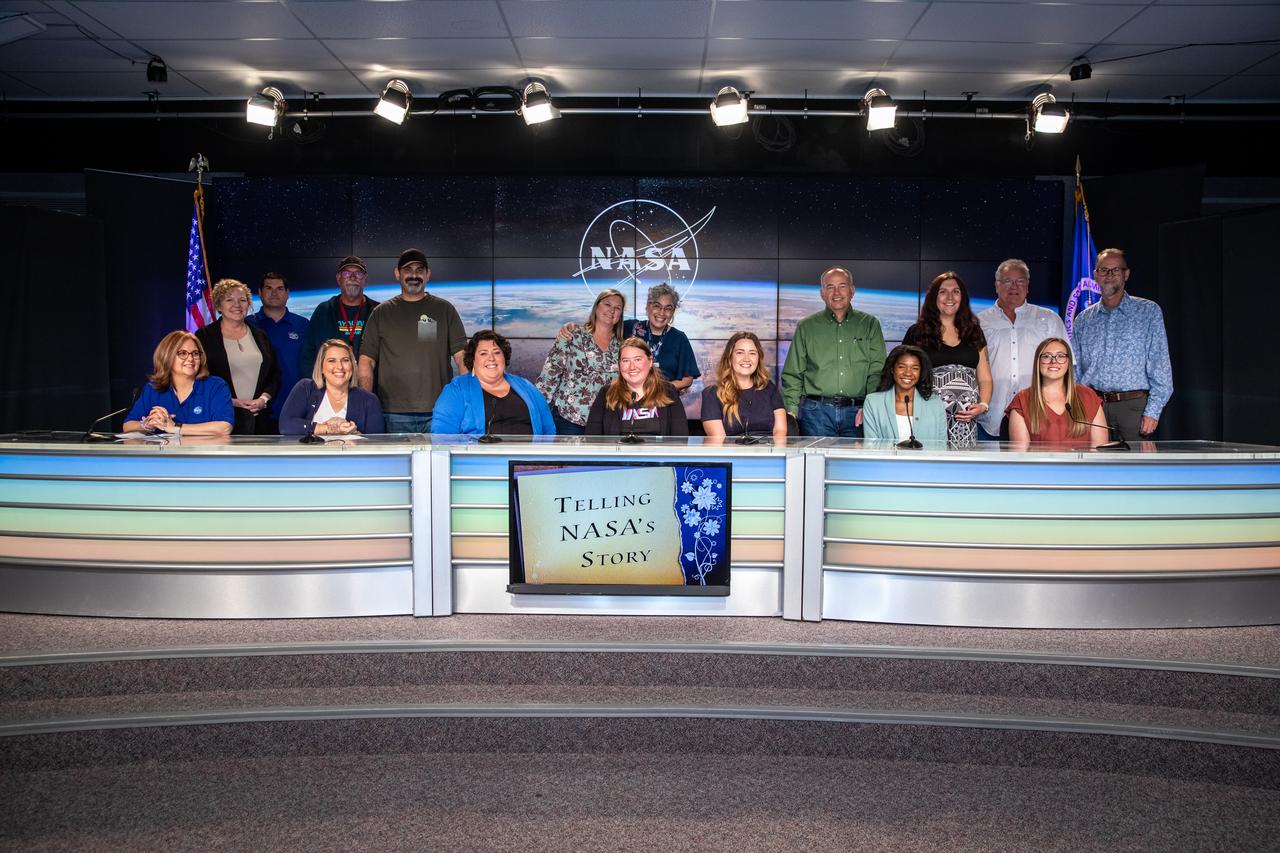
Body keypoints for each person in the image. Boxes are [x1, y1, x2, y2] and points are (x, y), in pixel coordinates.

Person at [357, 249, 467, 433]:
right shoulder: (381, 313)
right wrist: (366, 403)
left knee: (440, 462)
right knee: (396, 463)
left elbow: (461, 356)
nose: (414, 275)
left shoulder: (445, 310)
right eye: (408, 270)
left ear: (428, 275)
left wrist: (466, 399)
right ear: (397, 274)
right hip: (393, 413)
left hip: (440, 410)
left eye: (419, 270)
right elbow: (366, 360)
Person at [1071, 248, 1173, 439]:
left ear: (1126, 274)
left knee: (1133, 467)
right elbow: (1075, 370)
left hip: (1133, 408)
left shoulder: (1148, 312)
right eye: (1103, 270)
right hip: (1093, 407)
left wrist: (1153, 411)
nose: (1109, 275)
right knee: (1094, 466)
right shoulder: (1083, 319)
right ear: (1095, 275)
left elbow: (1161, 368)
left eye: (1115, 270)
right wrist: (1079, 406)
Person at [781, 266, 886, 437]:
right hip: (816, 413)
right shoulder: (807, 326)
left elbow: (877, 371)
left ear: (852, 291)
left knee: (853, 464)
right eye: (830, 287)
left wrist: (871, 406)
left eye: (842, 286)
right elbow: (793, 373)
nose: (836, 292)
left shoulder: (869, 324)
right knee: (816, 462)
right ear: (822, 293)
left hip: (858, 412)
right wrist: (791, 413)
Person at [975, 259, 1068, 441]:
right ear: (996, 286)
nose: (1014, 287)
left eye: (1020, 281)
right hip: (990, 419)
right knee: (991, 469)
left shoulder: (1048, 319)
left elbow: (1066, 367)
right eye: (1007, 281)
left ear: (1028, 285)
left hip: (1039, 417)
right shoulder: (979, 322)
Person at [556, 283, 700, 395]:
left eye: (668, 308)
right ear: (648, 306)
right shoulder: (631, 327)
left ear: (673, 311)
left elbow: (687, 379)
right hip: (628, 403)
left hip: (664, 401)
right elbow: (602, 325)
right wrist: (573, 326)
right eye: (657, 306)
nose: (662, 312)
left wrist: (659, 388)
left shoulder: (679, 338)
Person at [903, 272, 993, 447]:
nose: (950, 297)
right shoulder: (917, 333)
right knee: (928, 467)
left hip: (965, 424)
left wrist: (983, 405)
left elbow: (985, 378)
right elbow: (902, 377)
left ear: (963, 297)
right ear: (933, 297)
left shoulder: (974, 332)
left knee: (961, 471)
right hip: (927, 419)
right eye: (943, 291)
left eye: (956, 291)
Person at [194, 278, 280, 435]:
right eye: (229, 300)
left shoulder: (260, 336)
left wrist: (263, 400)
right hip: (220, 418)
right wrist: (231, 402)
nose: (237, 305)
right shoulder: (204, 336)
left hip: (259, 419)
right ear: (219, 305)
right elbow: (198, 377)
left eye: (242, 300)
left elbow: (274, 375)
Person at [537, 288, 626, 436]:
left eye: (618, 308)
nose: (612, 310)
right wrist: (536, 414)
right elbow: (549, 377)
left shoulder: (622, 346)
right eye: (607, 304)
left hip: (607, 424)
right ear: (596, 306)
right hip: (569, 421)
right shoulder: (572, 336)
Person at [432, 330, 556, 436]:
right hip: (478, 462)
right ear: (473, 360)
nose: (491, 358)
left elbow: (548, 430)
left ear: (504, 357)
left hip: (526, 461)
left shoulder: (526, 386)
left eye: (497, 352)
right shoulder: (456, 389)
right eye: (483, 353)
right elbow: (442, 437)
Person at [123, 331, 232, 436]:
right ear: (167, 356)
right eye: (183, 353)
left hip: (203, 453)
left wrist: (175, 427)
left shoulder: (215, 386)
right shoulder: (153, 389)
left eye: (195, 353)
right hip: (164, 455)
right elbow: (128, 426)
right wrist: (148, 424)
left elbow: (224, 427)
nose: (190, 358)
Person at [1007, 337, 1109, 448]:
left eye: (1061, 356)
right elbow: (1021, 455)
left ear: (1068, 362)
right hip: (1040, 465)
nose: (1054, 361)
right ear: (1038, 361)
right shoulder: (1022, 400)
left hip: (1081, 465)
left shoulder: (1088, 396)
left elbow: (1099, 450)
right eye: (1047, 356)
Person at [585, 337, 690, 437]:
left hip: (657, 455)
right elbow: (592, 439)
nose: (632, 367)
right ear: (619, 365)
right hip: (618, 455)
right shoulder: (606, 393)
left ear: (650, 362)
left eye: (638, 359)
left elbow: (680, 438)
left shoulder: (668, 391)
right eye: (625, 361)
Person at [279, 338, 384, 436]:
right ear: (321, 367)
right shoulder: (306, 388)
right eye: (331, 361)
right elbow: (286, 425)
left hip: (350, 456)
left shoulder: (369, 400)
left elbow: (377, 444)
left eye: (345, 360)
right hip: (312, 455)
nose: (339, 367)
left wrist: (355, 433)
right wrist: (327, 429)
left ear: (352, 366)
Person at [246, 271, 308, 434]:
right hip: (256, 409)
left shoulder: (303, 325)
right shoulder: (247, 325)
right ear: (259, 293)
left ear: (287, 293)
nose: (274, 293)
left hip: (296, 407)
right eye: (269, 288)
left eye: (280, 288)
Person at [299, 256, 380, 376]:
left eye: (358, 274)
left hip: (368, 389)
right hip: (330, 389)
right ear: (338, 278)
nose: (352, 278)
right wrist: (315, 390)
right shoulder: (323, 311)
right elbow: (308, 354)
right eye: (347, 273)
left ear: (365, 280)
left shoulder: (378, 312)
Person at [701, 332, 787, 439]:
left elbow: (780, 431)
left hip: (767, 451)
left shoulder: (769, 388)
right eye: (740, 353)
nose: (746, 359)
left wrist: (774, 453)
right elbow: (718, 440)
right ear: (729, 357)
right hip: (731, 453)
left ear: (758, 358)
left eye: (752, 353)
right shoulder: (712, 394)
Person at [861, 345, 947, 444]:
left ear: (921, 372)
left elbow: (942, 445)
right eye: (902, 367)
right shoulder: (873, 402)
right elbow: (871, 446)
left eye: (915, 368)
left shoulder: (935, 404)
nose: (908, 373)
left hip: (925, 460)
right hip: (886, 459)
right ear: (892, 369)